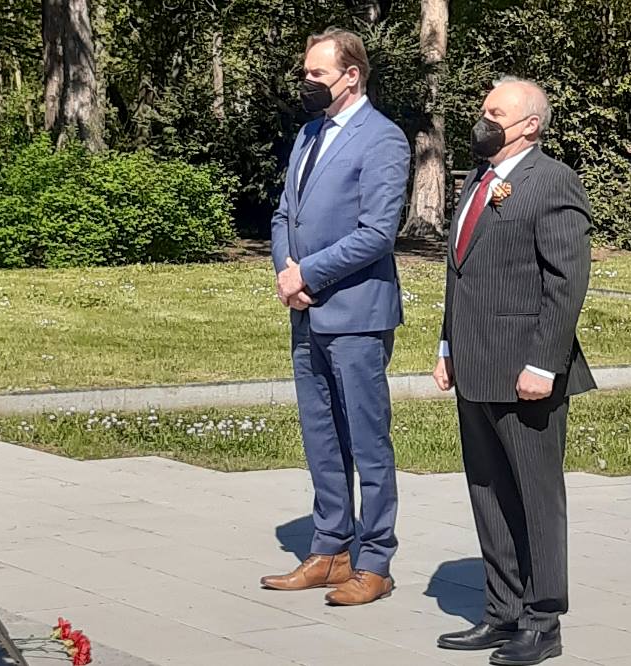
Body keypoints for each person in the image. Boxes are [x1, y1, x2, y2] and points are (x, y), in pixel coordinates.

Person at [433, 77, 596, 665]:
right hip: (474, 366)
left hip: (527, 373)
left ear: (529, 124)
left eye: (495, 113)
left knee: (534, 495)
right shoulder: (477, 181)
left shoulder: (551, 182)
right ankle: (502, 612)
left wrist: (542, 364)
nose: (484, 120)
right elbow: (461, 274)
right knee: (488, 491)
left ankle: (543, 619)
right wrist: (447, 345)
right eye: (483, 111)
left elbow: (565, 282)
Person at [259, 27, 410, 606]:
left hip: (357, 315)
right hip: (306, 315)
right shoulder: (308, 134)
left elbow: (376, 234)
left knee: (366, 442)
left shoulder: (383, 140)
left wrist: (309, 273)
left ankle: (374, 561)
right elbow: (283, 214)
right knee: (321, 439)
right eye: (306, 72)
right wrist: (285, 272)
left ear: (352, 76)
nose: (307, 82)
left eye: (317, 73)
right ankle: (329, 550)